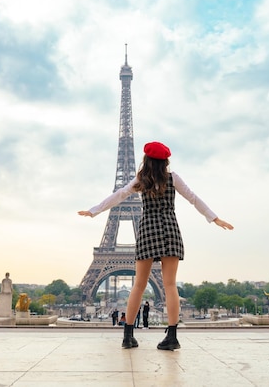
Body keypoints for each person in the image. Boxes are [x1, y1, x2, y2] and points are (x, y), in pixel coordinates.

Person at [79, 141, 233, 350]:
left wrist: (94, 210)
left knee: (139, 285)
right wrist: (214, 218)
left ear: (146, 160)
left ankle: (128, 335)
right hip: (170, 230)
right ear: (165, 161)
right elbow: (193, 199)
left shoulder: (142, 180)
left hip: (148, 230)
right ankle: (172, 336)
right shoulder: (173, 178)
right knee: (170, 285)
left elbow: (120, 195)